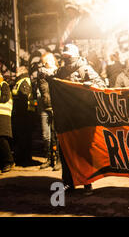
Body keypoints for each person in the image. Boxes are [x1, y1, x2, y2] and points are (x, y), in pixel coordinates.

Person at [55, 43, 106, 195]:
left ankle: (87, 182)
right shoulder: (60, 71)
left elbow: (101, 85)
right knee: (66, 150)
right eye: (65, 56)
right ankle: (68, 182)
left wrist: (91, 85)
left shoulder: (86, 69)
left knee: (83, 150)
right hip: (66, 116)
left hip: (83, 116)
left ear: (76, 55)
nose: (66, 59)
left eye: (69, 56)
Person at [37, 52, 60, 171]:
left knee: (56, 134)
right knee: (46, 135)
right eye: (45, 60)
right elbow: (40, 90)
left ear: (54, 60)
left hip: (56, 106)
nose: (47, 62)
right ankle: (49, 158)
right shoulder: (40, 74)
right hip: (44, 106)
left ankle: (59, 160)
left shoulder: (59, 72)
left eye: (49, 60)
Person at [11, 66, 35, 167]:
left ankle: (25, 158)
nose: (15, 72)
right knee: (22, 136)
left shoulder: (24, 80)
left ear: (22, 71)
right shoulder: (20, 80)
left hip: (25, 113)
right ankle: (23, 156)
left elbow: (24, 96)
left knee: (24, 136)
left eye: (17, 70)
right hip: (22, 112)